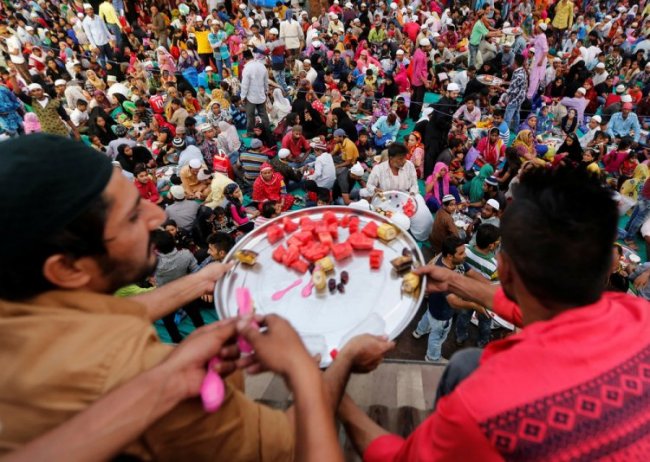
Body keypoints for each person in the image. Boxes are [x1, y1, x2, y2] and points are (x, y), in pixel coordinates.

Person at [0, 134, 393, 460]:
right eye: (133, 217)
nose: (158, 216)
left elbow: (83, 322)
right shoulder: (130, 365)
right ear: (67, 268)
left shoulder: (23, 307)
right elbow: (291, 441)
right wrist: (308, 370)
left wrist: (195, 283)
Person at [340, 166, 650, 460]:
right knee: (464, 363)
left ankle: (443, 439)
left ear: (503, 269)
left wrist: (328, 386)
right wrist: (454, 281)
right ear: (609, 264)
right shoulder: (638, 313)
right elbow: (528, 309)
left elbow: (398, 458)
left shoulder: (486, 407)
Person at [412, 236, 485, 363]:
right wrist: (474, 305)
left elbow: (471, 273)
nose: (465, 255)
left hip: (433, 305)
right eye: (461, 253)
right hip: (442, 314)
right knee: (438, 336)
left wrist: (489, 287)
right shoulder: (442, 275)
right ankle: (432, 358)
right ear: (450, 256)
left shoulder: (456, 260)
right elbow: (453, 301)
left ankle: (419, 331)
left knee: (428, 316)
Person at [455, 224, 501, 349]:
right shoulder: (494, 265)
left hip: (465, 292)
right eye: (498, 241)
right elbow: (494, 285)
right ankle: (482, 341)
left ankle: (460, 336)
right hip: (483, 298)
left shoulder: (464, 249)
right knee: (485, 321)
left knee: (464, 315)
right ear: (491, 245)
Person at [241, 51, 270, 135]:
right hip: (261, 95)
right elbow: (266, 81)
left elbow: (245, 84)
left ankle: (250, 133)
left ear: (245, 59)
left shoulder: (247, 68)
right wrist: (266, 91)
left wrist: (242, 96)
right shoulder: (262, 66)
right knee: (263, 114)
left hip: (251, 96)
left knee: (250, 115)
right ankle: (267, 131)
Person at [504, 54, 528, 131]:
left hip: (515, 98)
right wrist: (503, 82)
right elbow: (514, 83)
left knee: (508, 117)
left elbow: (511, 90)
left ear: (515, 62)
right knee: (516, 114)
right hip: (520, 97)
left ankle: (505, 133)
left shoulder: (519, 75)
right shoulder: (522, 71)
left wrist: (499, 88)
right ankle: (515, 129)